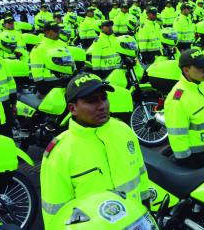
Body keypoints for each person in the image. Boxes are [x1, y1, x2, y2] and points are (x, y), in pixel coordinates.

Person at [40, 73, 150, 227]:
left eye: (104, 98)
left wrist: (146, 208)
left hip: (135, 223)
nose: (102, 106)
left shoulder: (124, 131)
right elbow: (55, 213)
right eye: (91, 101)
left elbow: (141, 175)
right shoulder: (60, 152)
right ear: (73, 109)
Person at [164, 49, 204, 168]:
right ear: (186, 70)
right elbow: (178, 138)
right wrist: (188, 165)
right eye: (200, 67)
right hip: (199, 159)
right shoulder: (177, 99)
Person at [29, 21, 70, 95]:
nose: (58, 32)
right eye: (55, 31)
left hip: (66, 79)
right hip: (50, 83)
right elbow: (36, 68)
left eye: (58, 30)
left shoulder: (63, 44)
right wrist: (40, 85)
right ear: (47, 32)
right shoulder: (39, 48)